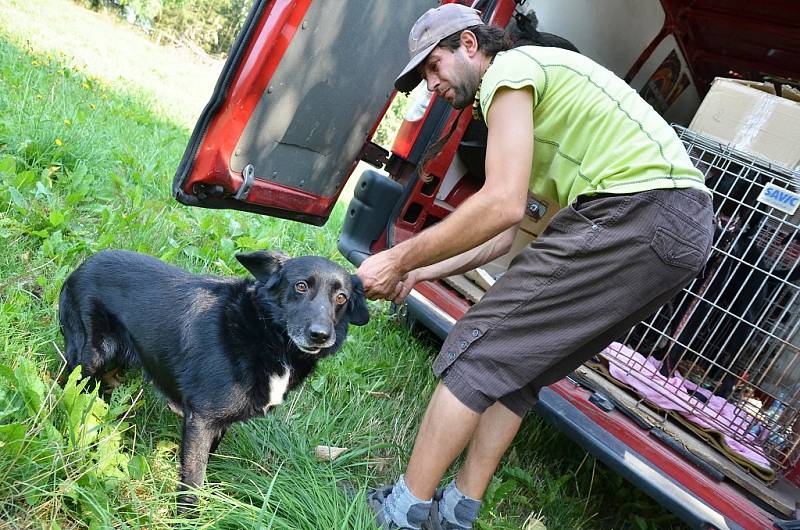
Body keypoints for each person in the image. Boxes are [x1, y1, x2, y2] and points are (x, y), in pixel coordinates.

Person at [356, 4, 714, 529]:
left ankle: (403, 512)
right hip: (681, 232)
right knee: (520, 368)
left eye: (433, 66)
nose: (431, 85)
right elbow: (504, 231)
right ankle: (457, 512)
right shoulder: (537, 101)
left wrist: (396, 255)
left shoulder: (511, 72)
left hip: (637, 211)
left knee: (474, 347)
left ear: (471, 47)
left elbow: (499, 203)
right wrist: (418, 273)